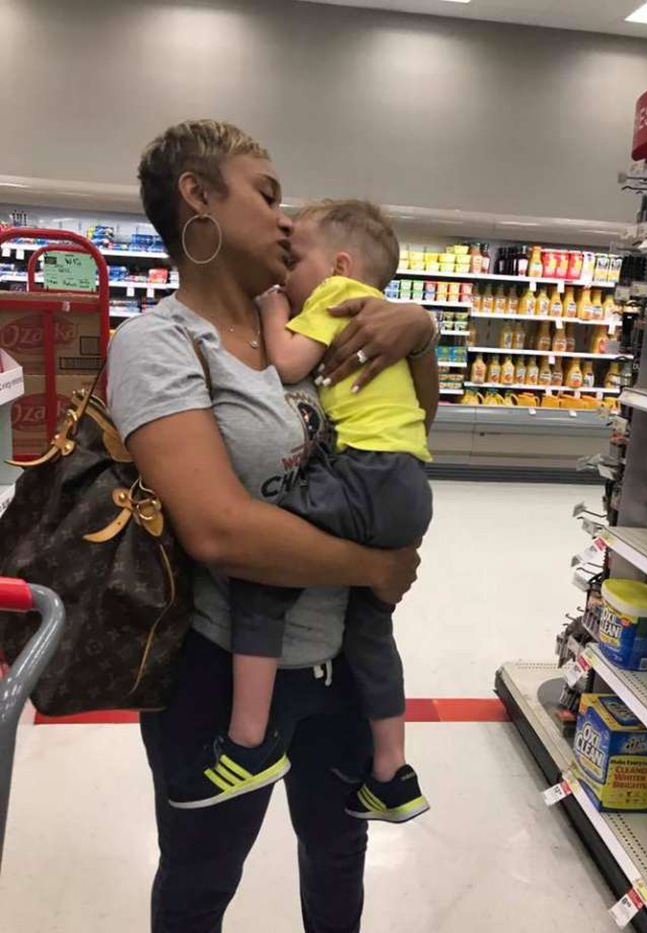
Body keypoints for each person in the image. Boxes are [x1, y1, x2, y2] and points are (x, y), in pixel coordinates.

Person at [107, 119, 438, 932]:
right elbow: (221, 530)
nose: (287, 220)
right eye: (267, 194)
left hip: (340, 668)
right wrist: (371, 568)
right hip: (223, 673)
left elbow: (408, 418)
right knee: (202, 873)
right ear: (198, 196)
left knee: (337, 860)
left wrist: (419, 329)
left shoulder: (310, 327)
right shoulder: (158, 344)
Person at [168, 199, 437, 824]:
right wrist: (375, 567)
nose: (287, 271)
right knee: (373, 631)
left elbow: (290, 362)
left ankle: (248, 742)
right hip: (407, 483)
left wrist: (272, 309)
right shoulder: (372, 309)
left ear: (339, 264)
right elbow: (422, 417)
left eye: (296, 260)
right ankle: (392, 775)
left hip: (365, 474)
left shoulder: (335, 299)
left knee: (264, 569)